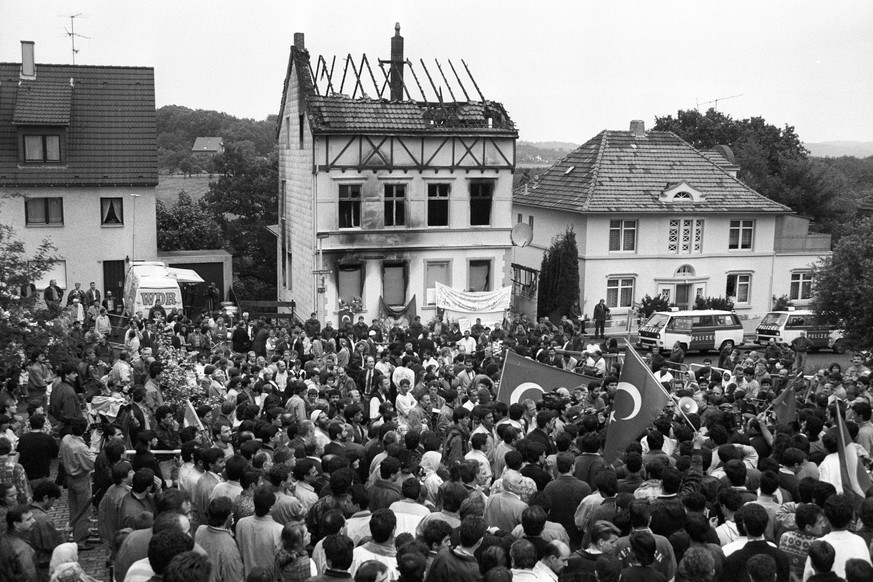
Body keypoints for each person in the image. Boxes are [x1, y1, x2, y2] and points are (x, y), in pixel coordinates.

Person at [59, 417, 96, 550]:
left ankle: (77, 534)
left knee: (74, 509)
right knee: (83, 511)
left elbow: (60, 458)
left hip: (70, 478)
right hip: (81, 479)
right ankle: (80, 540)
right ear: (85, 429)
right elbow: (91, 463)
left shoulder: (66, 439)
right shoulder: (81, 447)